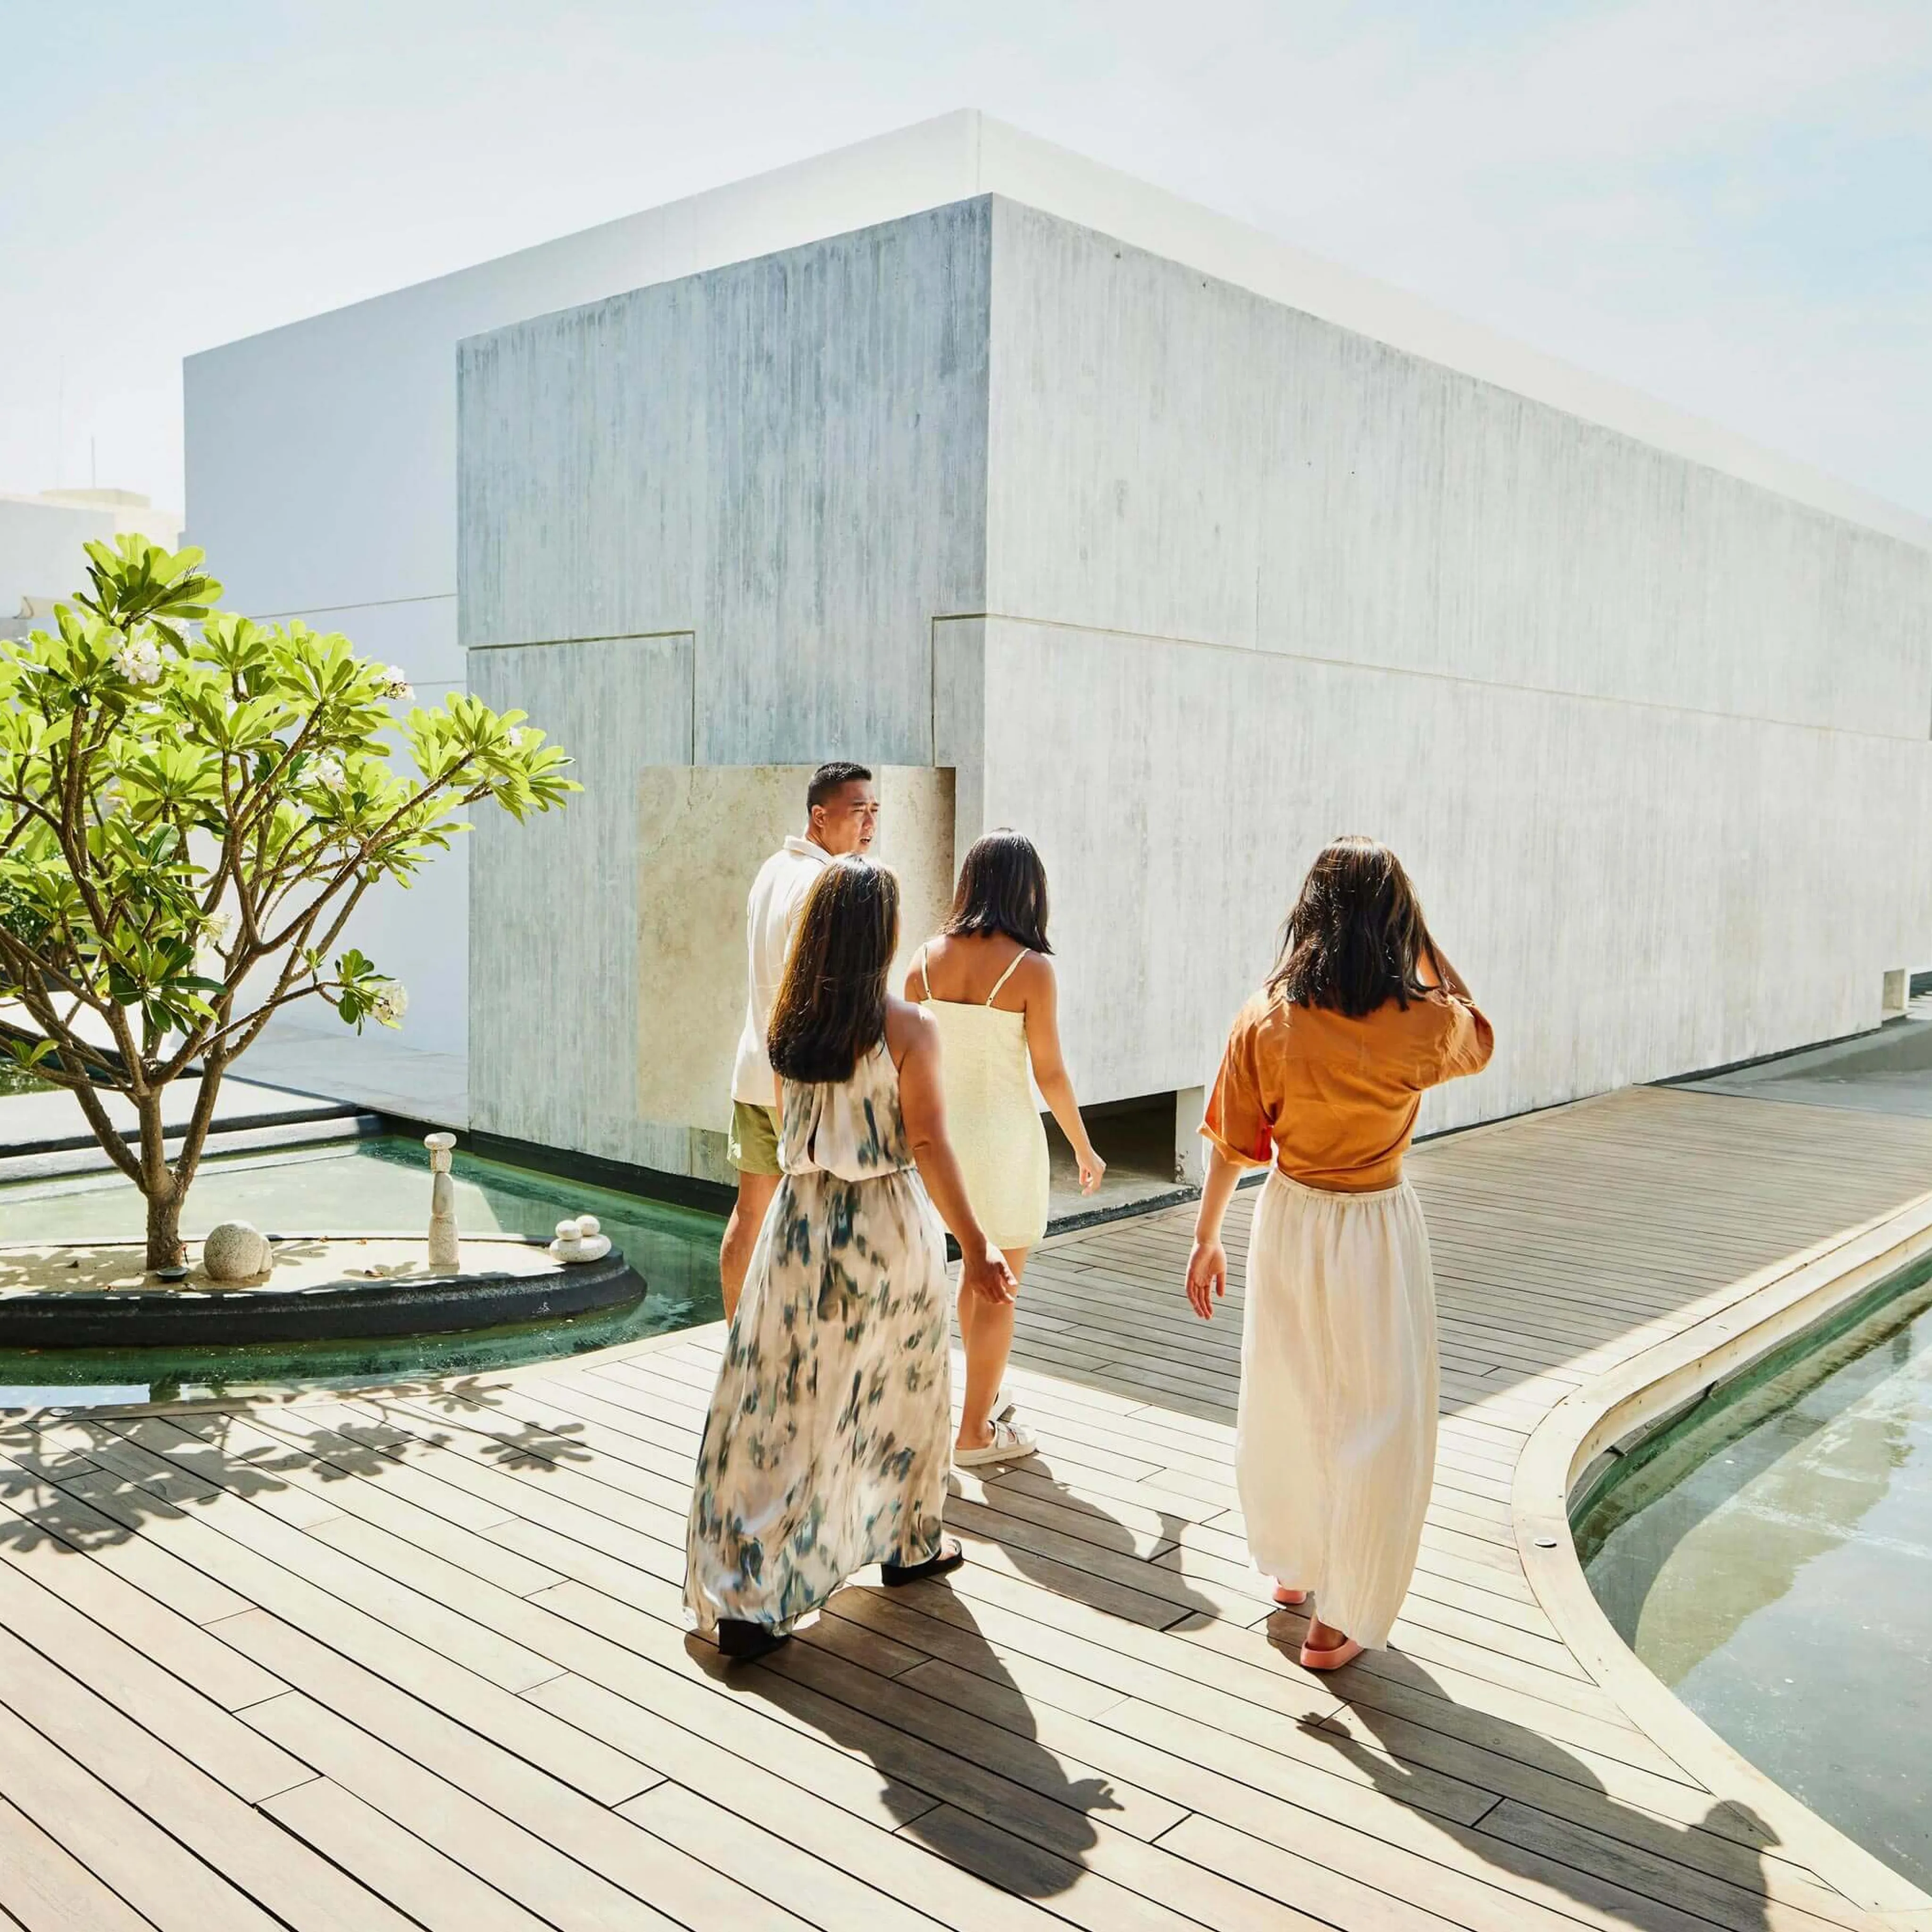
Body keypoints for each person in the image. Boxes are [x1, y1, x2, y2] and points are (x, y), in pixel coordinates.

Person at [687, 855, 1018, 1661]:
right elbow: (931, 1143)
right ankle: (908, 1542)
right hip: (882, 1232)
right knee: (898, 1393)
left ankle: (749, 1592)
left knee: (781, 1405)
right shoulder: (907, 1027)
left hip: (798, 1231)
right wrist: (976, 1246)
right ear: (882, 934)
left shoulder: (787, 1026)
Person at [1184, 836, 1493, 1671]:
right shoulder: (1423, 1023)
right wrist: (1424, 944)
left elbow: (1231, 1140)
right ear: (1395, 921)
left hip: (1289, 1221)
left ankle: (1294, 1570)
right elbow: (1481, 1031)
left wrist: (1207, 1236)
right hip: (1376, 1231)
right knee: (1376, 1420)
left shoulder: (1267, 1013)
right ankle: (1335, 1619)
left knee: (1288, 1393)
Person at [906, 830, 1105, 1466]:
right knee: (999, 1286)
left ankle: (975, 1406)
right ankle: (973, 1435)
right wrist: (1085, 1148)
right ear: (1027, 890)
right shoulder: (1032, 970)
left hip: (937, 1142)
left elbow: (902, 1063)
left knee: (971, 1270)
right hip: (1003, 1142)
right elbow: (1050, 1073)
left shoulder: (921, 962)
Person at [720, 761, 880, 1320]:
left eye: (874, 810)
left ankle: (736, 1348)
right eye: (858, 810)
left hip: (752, 1071)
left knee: (750, 1213)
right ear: (820, 816)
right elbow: (808, 997)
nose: (870, 823)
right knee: (811, 1226)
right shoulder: (823, 883)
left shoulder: (771, 869)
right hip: (798, 1083)